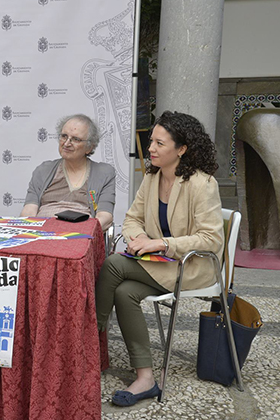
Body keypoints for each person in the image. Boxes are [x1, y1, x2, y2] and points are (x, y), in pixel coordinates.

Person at [96, 111, 224, 406]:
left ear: (181, 149)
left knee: (114, 263)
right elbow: (132, 219)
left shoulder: (203, 184)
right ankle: (146, 377)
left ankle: (91, 340)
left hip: (192, 266)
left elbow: (211, 239)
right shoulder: (152, 177)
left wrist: (161, 244)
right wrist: (138, 239)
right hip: (158, 266)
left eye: (159, 143)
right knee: (124, 291)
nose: (151, 148)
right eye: (151, 141)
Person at [20, 114, 115, 231]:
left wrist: (80, 233)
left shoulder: (104, 173)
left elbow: (105, 216)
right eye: (64, 136)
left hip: (81, 236)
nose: (66, 143)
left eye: (76, 139)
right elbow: (29, 210)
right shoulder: (43, 170)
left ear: (89, 147)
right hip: (42, 236)